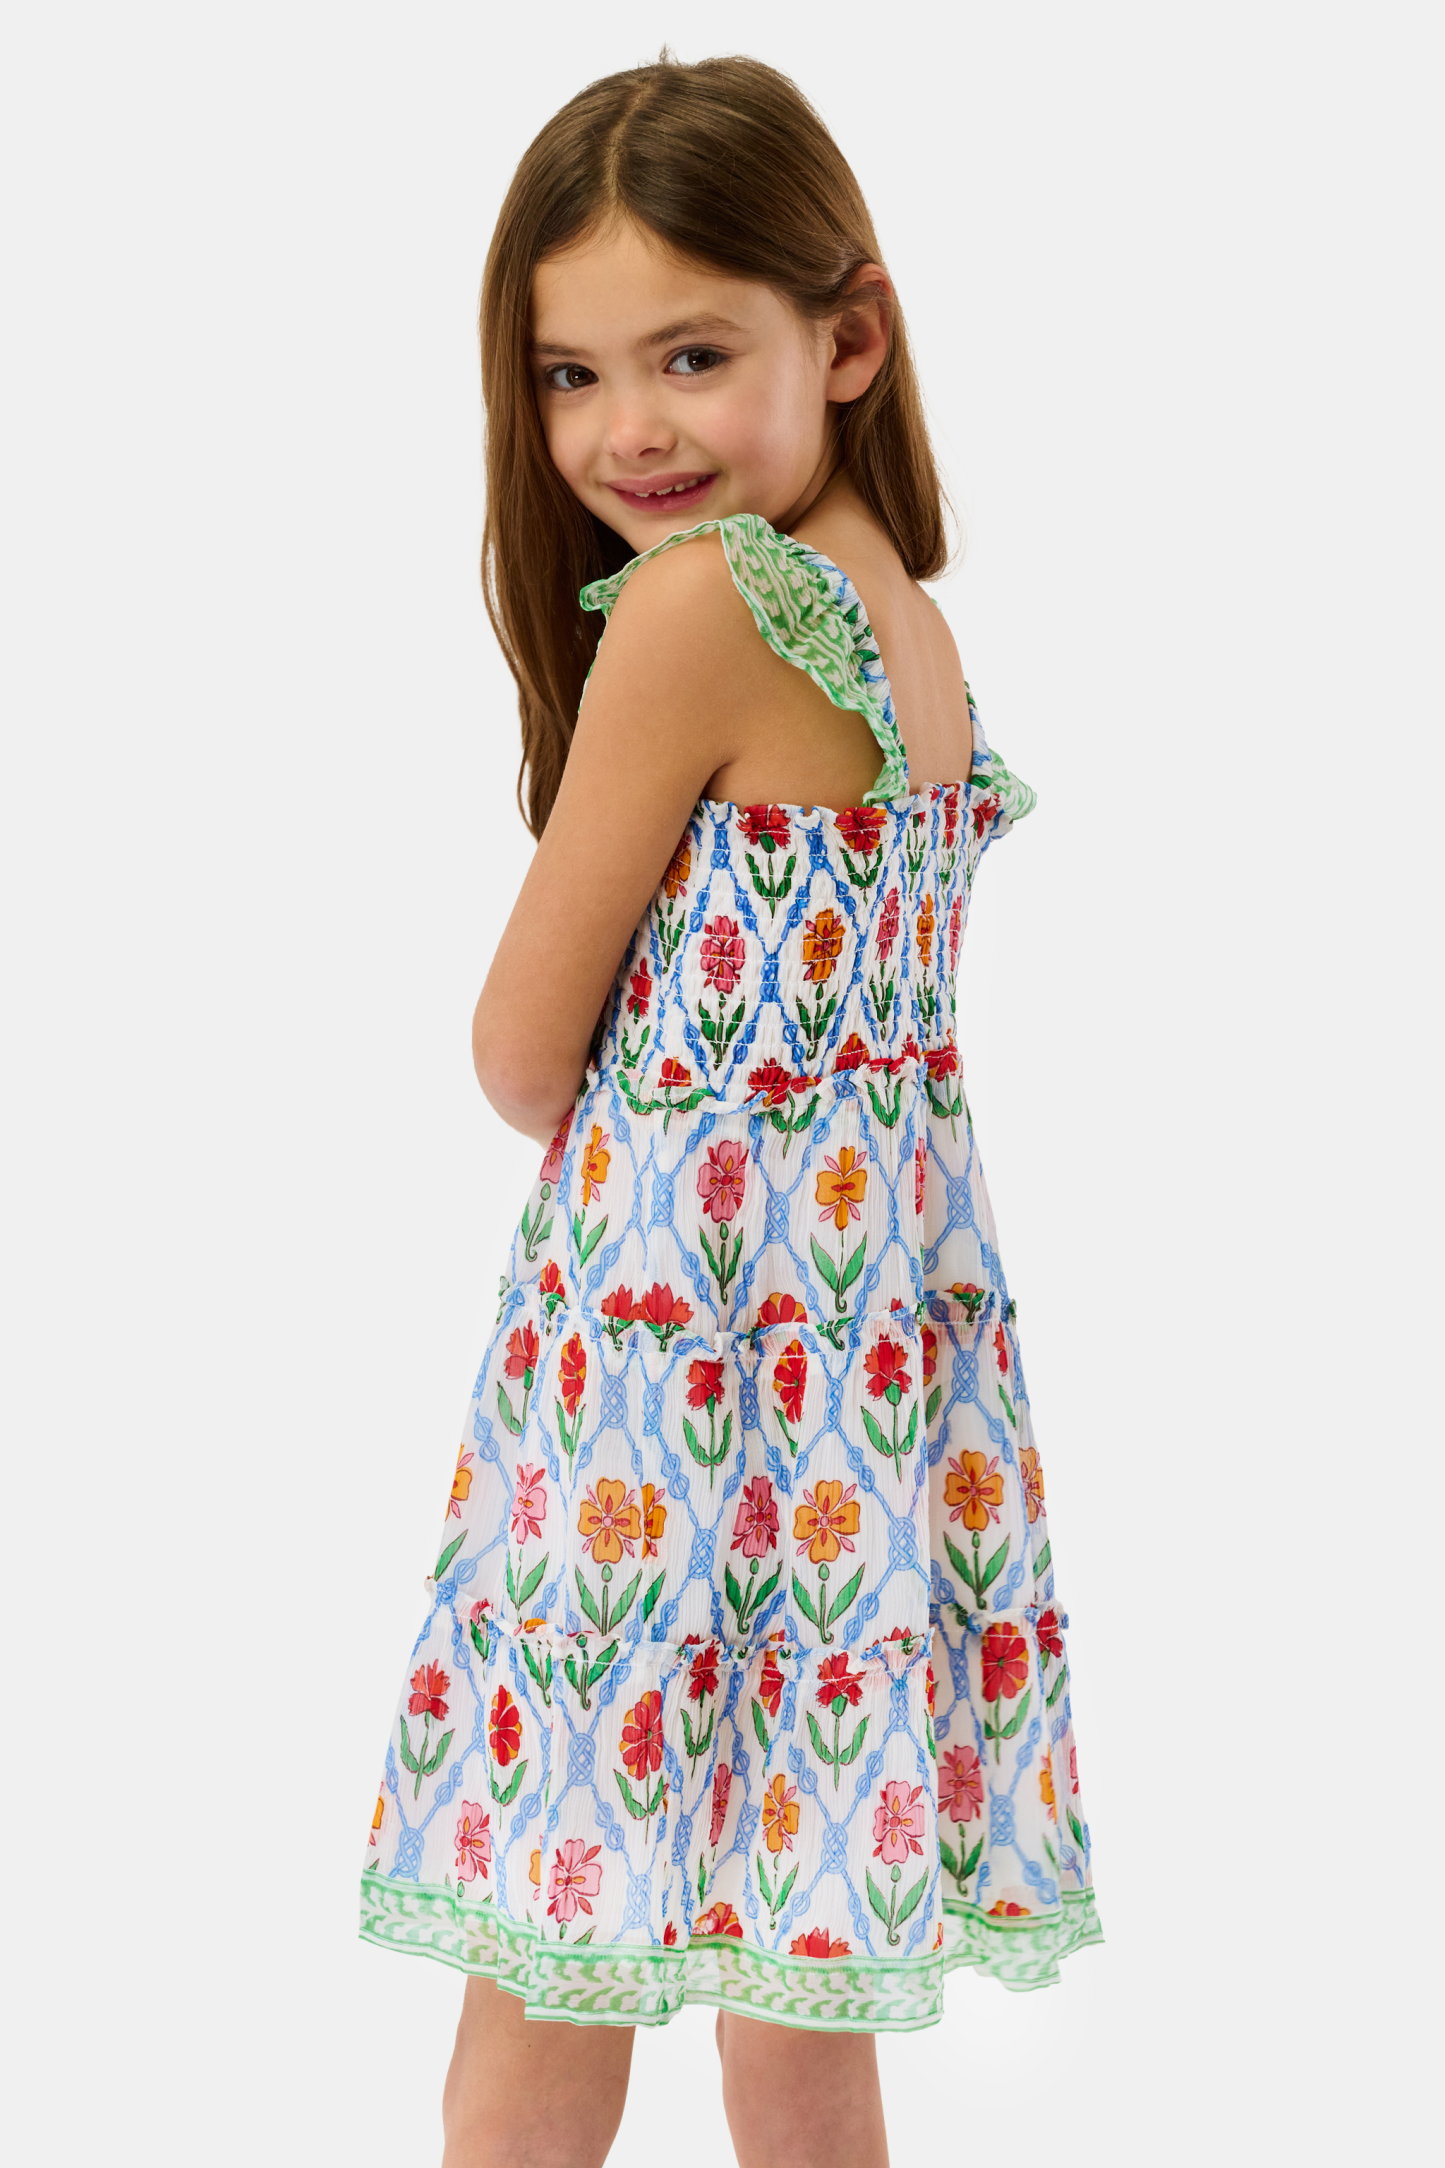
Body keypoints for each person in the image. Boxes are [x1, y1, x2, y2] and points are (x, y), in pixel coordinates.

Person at [360, 52, 1101, 2168]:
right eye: (571, 375)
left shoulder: (704, 605)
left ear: (848, 338)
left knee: (546, 1952)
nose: (629, 432)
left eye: (691, 355)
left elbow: (521, 1045)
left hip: (666, 1366)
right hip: (858, 1371)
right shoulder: (905, 630)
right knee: (799, 1988)